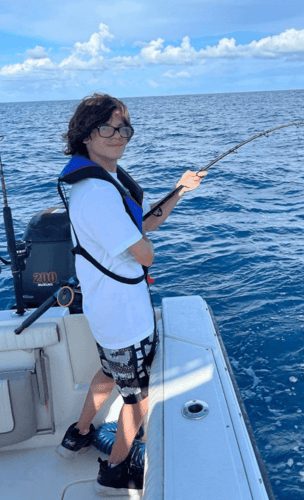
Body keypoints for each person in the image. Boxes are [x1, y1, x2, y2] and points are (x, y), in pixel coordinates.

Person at [55, 93, 205, 496]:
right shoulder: (98, 194)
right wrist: (141, 236)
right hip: (125, 316)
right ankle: (115, 470)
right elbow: (145, 251)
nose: (118, 135)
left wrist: (180, 189)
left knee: (109, 371)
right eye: (107, 126)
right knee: (136, 396)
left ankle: (80, 433)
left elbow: (144, 226)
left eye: (124, 127)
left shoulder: (103, 181)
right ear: (86, 136)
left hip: (108, 312)